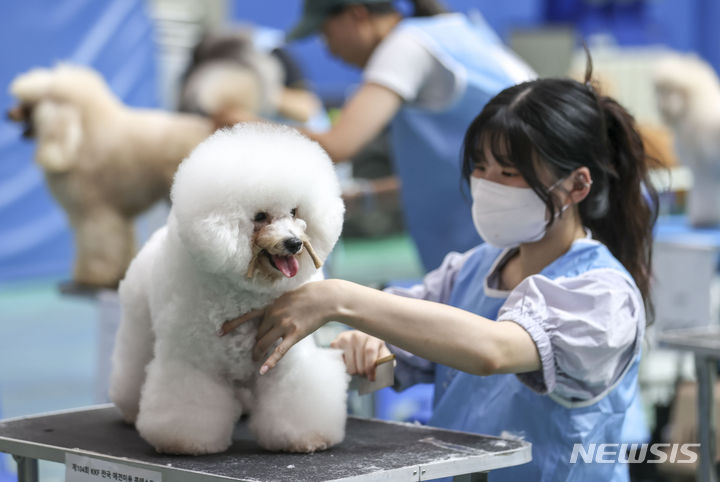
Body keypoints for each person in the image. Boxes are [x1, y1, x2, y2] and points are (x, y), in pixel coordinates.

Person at [220, 66, 660, 480]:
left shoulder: (603, 296)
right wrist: (369, 349)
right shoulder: (472, 270)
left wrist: (341, 300)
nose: (487, 184)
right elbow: (398, 354)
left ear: (577, 186)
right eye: (480, 168)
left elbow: (494, 350)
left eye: (509, 172)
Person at [217, 0, 535, 271]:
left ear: (357, 15)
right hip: (523, 230)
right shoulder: (455, 30)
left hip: (502, 247)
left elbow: (337, 146)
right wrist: (364, 197)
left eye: (326, 34)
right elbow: (457, 172)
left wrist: (240, 122)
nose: (328, 50)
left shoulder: (406, 45)